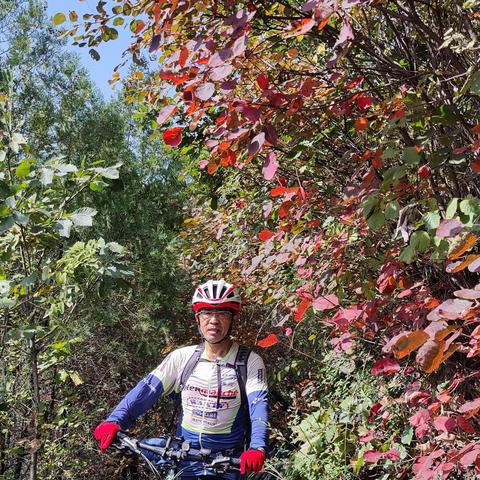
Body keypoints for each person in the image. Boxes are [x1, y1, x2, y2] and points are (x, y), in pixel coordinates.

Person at [93, 279, 269, 479]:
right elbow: (146, 391)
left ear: (232, 319)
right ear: (197, 318)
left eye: (222, 313)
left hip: (229, 464)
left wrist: (257, 448)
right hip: (184, 459)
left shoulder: (249, 362)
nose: (214, 320)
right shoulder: (182, 358)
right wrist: (115, 420)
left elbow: (258, 407)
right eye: (207, 313)